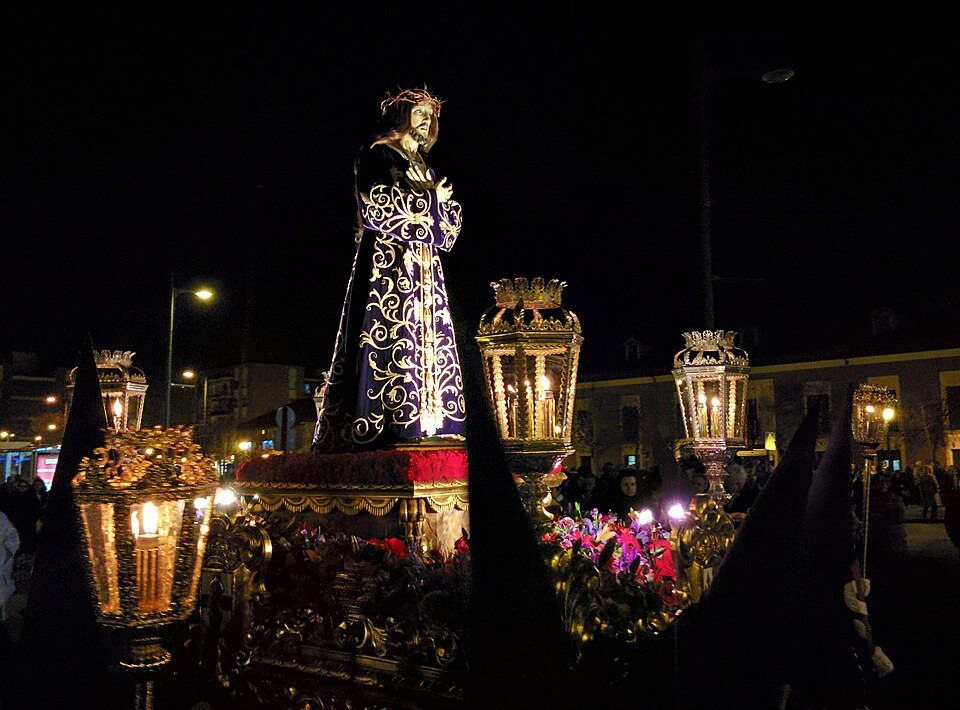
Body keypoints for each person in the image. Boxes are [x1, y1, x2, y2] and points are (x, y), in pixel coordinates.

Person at [313, 87, 464, 452]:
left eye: (431, 114)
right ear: (401, 115)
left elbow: (448, 230)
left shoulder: (425, 167)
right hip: (387, 265)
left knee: (428, 341)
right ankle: (386, 423)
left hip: (425, 270)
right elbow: (376, 205)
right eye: (419, 112)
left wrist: (437, 206)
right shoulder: (377, 153)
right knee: (389, 334)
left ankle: (431, 422)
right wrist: (430, 200)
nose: (427, 120)